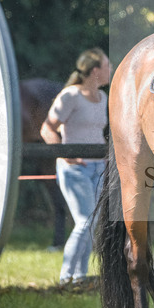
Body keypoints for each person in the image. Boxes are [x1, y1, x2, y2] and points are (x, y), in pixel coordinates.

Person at [41, 48, 112, 285]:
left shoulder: (104, 99)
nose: (110, 70)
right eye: (107, 66)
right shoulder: (69, 96)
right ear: (95, 71)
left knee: (91, 224)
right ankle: (65, 277)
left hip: (98, 168)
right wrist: (66, 155)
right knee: (84, 221)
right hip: (75, 169)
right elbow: (48, 128)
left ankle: (79, 277)